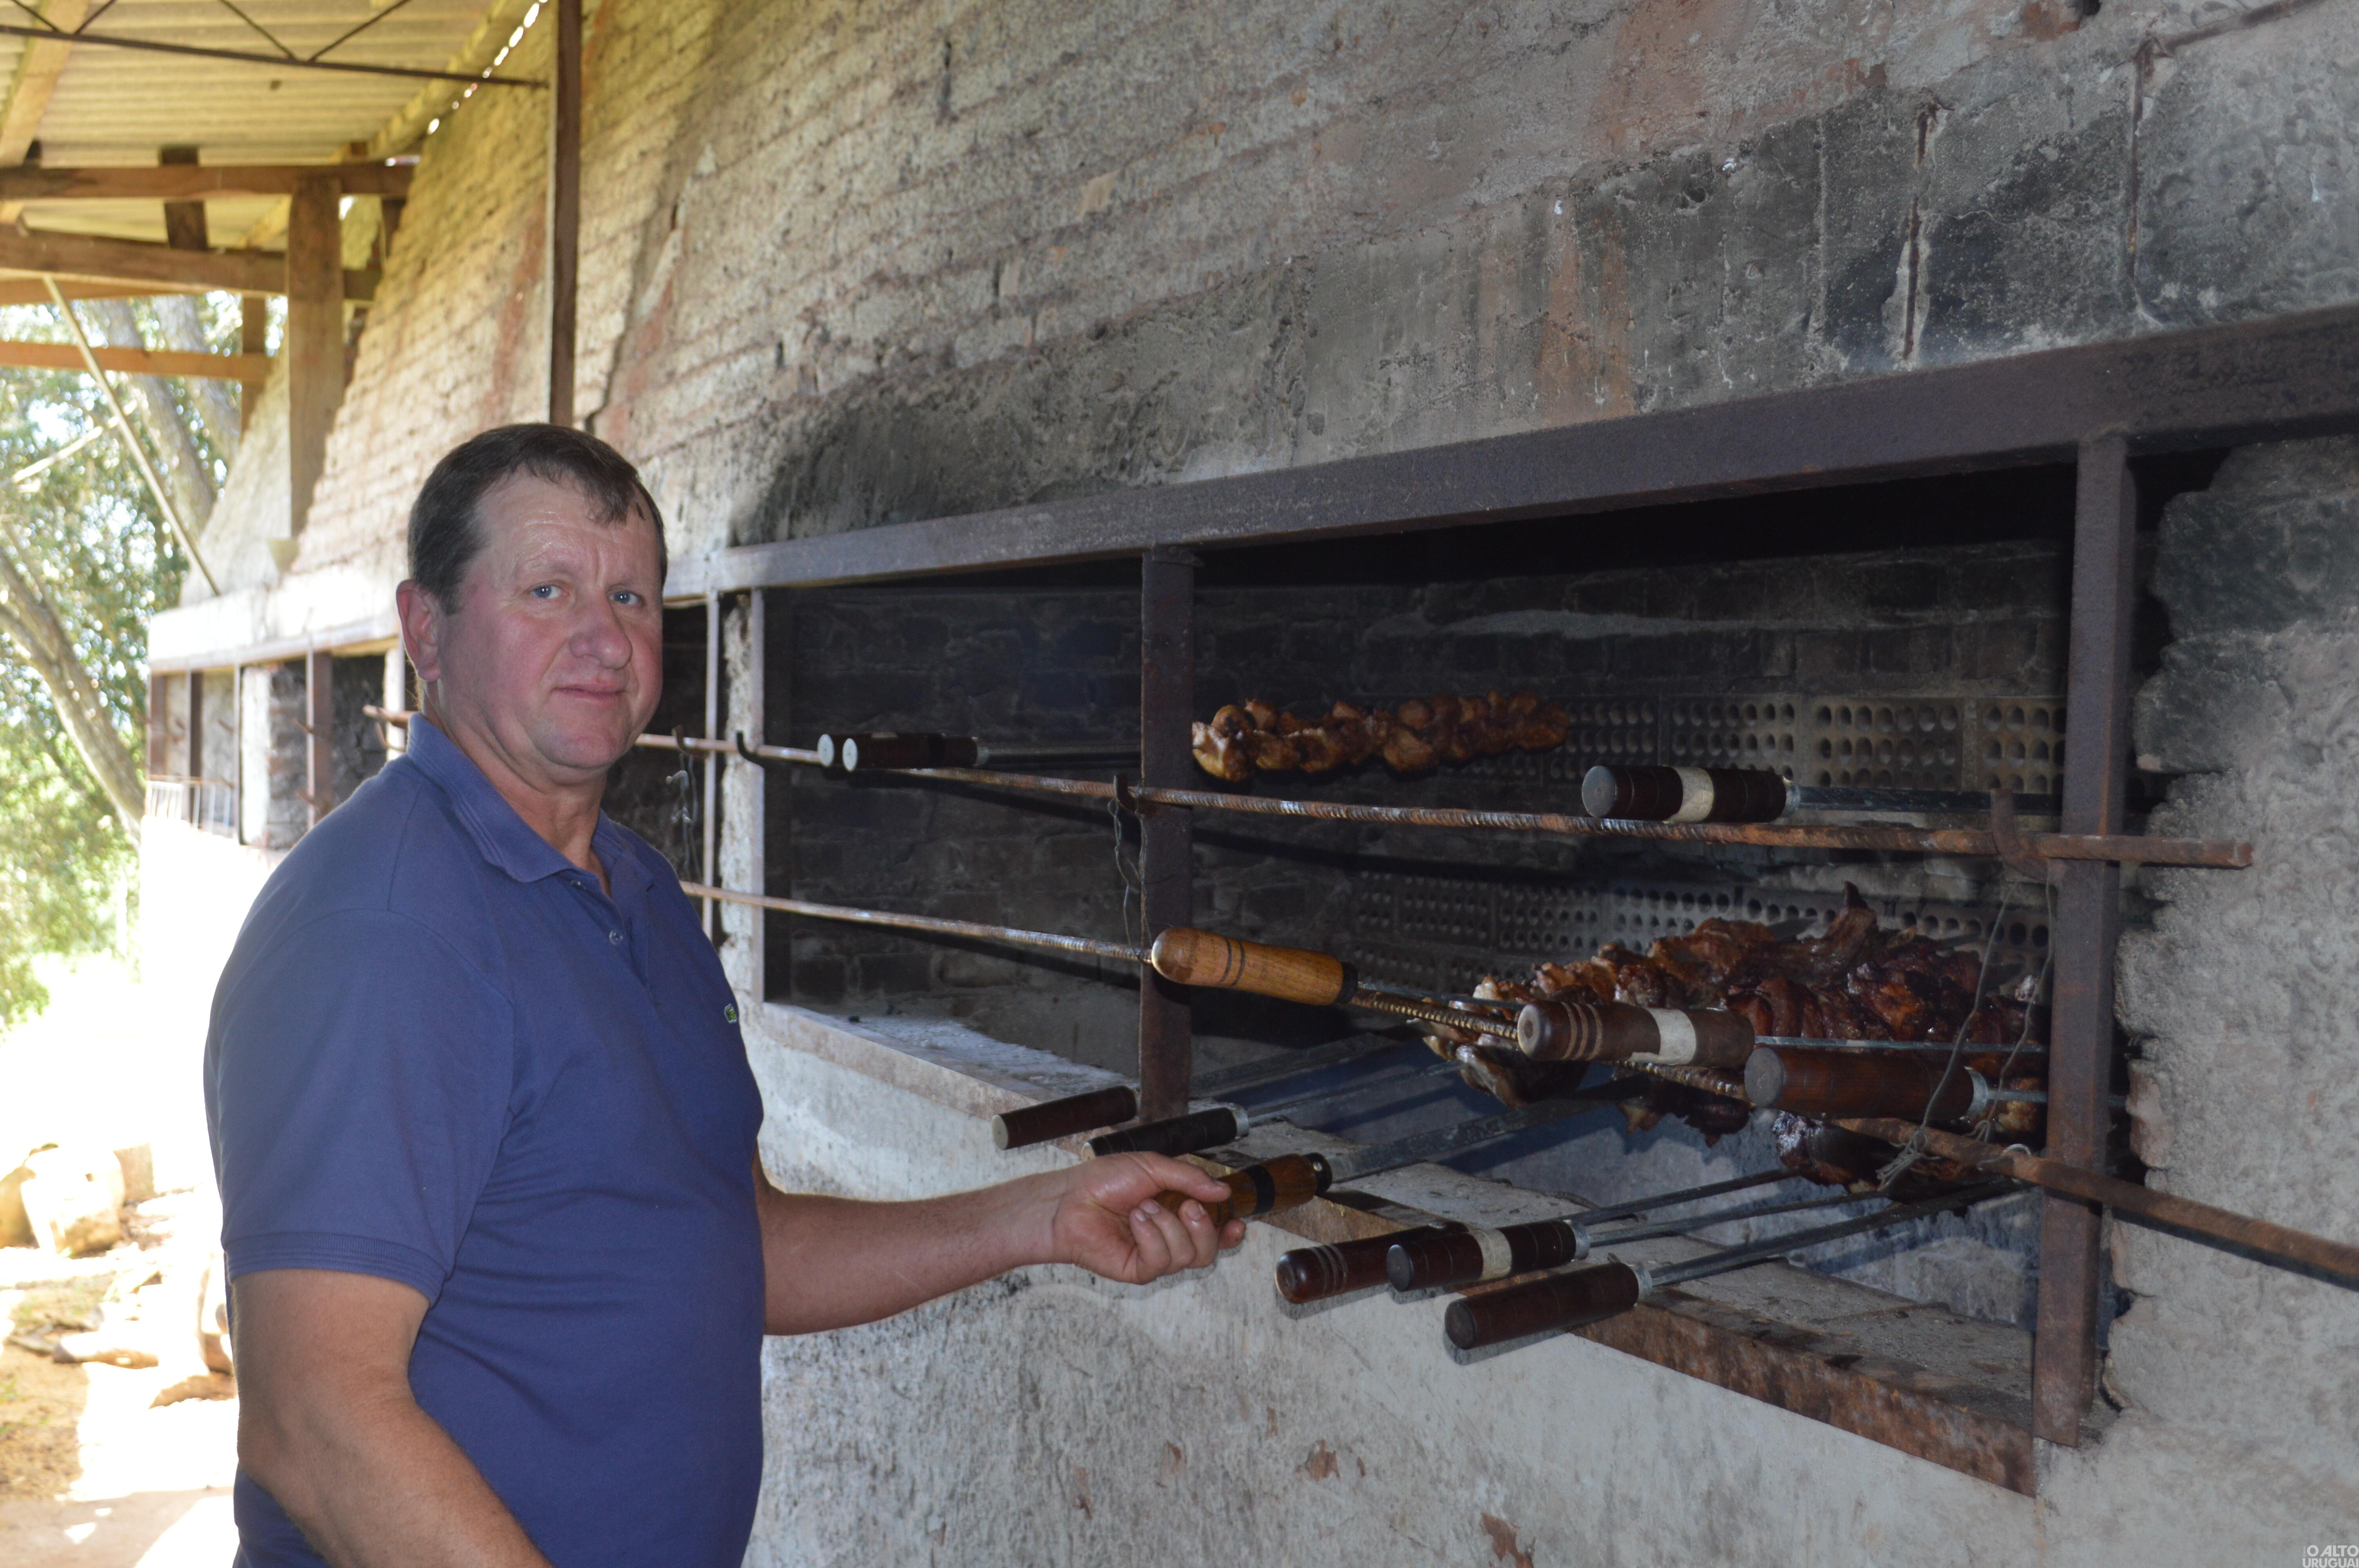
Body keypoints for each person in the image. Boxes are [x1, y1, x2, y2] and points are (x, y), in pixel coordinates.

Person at [204, 424, 1245, 1568]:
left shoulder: (636, 888)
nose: (602, 639)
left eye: (633, 598)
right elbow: (315, 1423)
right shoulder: (385, 928)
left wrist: (1042, 1215)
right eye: (545, 590)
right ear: (425, 630)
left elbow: (736, 1242)